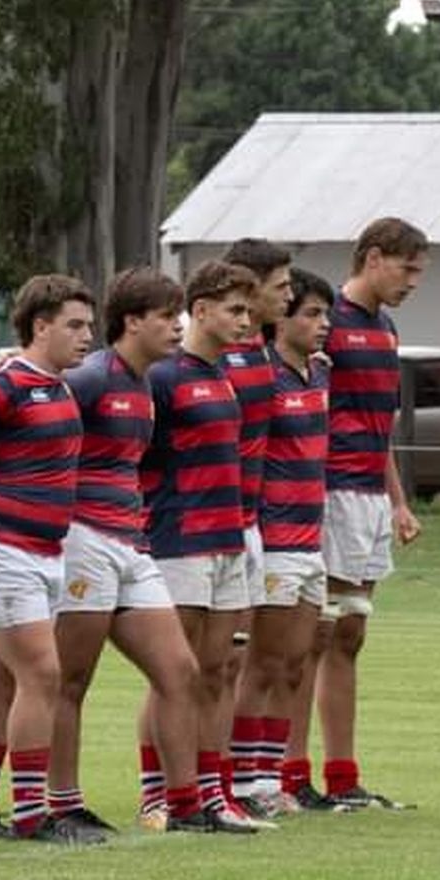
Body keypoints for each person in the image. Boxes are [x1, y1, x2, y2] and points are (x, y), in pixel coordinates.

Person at [50, 267, 224, 835]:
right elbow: (33, 431)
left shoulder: (144, 383)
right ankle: (61, 804)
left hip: (132, 543)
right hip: (83, 542)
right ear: (131, 322)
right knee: (70, 679)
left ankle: (185, 807)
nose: (177, 328)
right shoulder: (92, 377)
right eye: (165, 317)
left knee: (180, 672)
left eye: (179, 316)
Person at [0, 276, 91, 843]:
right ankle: (33, 815)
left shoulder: (59, 387)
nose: (87, 337)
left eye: (89, 325)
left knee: (2, 682)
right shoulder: (4, 384)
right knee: (43, 673)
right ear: (41, 326)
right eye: (75, 326)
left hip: (42, 550)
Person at [140, 260, 263, 831]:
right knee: (175, 675)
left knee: (216, 672)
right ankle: (159, 796)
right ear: (202, 309)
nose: (245, 320)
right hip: (179, 540)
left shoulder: (224, 375)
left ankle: (213, 794)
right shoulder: (165, 376)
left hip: (226, 540)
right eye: (235, 309)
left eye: (248, 309)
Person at [316, 217, 426, 808]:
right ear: (375, 257)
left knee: (351, 632)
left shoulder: (385, 329)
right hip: (327, 490)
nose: (414, 282)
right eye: (408, 269)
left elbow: (378, 425)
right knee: (316, 632)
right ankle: (285, 777)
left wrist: (398, 500)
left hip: (368, 496)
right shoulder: (324, 319)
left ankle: (343, 777)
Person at [224, 269, 337, 815]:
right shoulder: (260, 375)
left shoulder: (318, 374)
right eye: (311, 313)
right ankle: (243, 781)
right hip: (273, 538)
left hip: (311, 538)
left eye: (324, 314)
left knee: (295, 664)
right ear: (283, 320)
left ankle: (269, 777)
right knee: (262, 664)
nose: (322, 324)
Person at [217, 239, 291, 818]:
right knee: (193, 667)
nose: (286, 297)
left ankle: (230, 784)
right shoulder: (218, 356)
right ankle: (174, 790)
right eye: (281, 287)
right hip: (199, 529)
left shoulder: (265, 351)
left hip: (248, 526)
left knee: (233, 663)